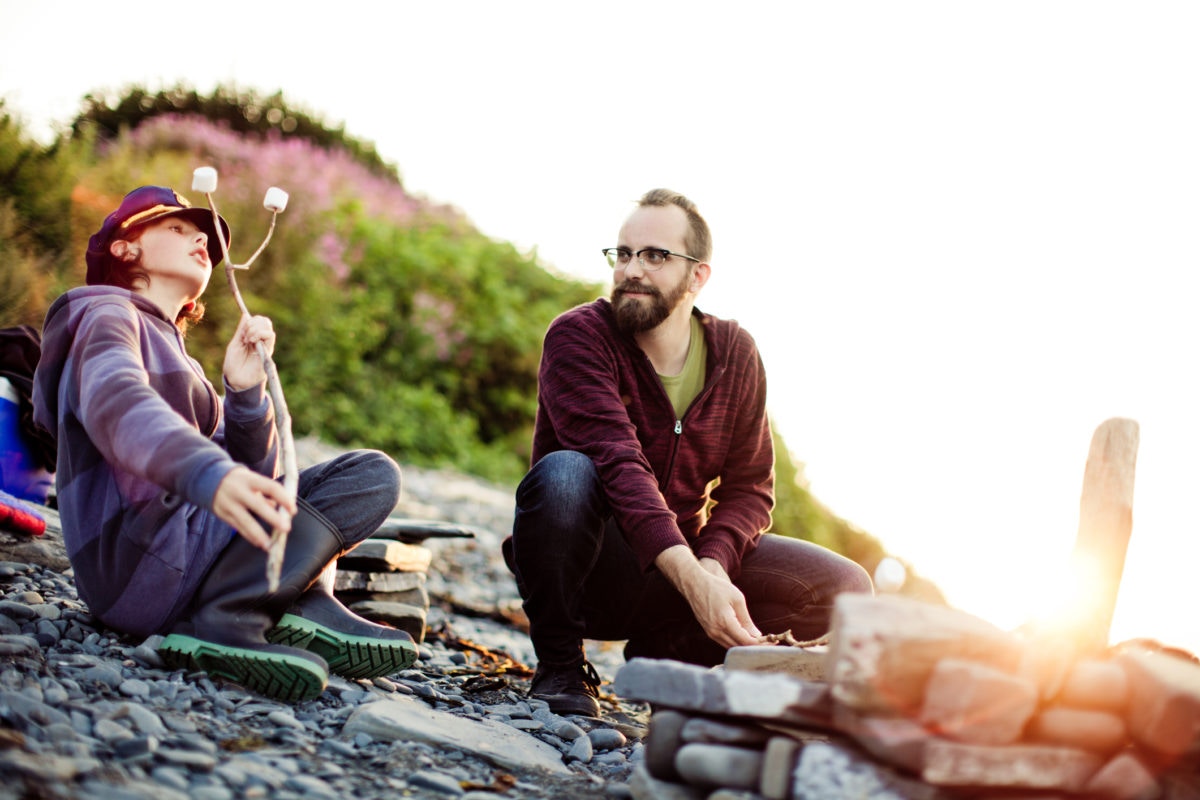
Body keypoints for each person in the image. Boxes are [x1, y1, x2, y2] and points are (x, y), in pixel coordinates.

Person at [32, 186, 417, 703]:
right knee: (370, 476)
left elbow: (259, 479)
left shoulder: (183, 363)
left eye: (205, 237)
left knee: (343, 478)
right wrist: (209, 472)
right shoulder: (104, 316)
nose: (200, 239)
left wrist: (243, 392)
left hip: (178, 560)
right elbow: (118, 404)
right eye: (176, 228)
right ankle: (233, 615)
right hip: (145, 563)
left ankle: (299, 602)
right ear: (125, 249)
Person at [502, 189, 873, 717]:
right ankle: (561, 667)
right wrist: (694, 577)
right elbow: (618, 463)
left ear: (698, 276)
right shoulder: (579, 336)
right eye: (624, 253)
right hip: (591, 572)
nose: (632, 269)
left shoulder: (735, 354)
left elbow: (750, 489)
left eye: (655, 256)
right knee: (565, 475)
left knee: (847, 588)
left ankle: (668, 658)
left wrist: (713, 568)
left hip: (679, 578)